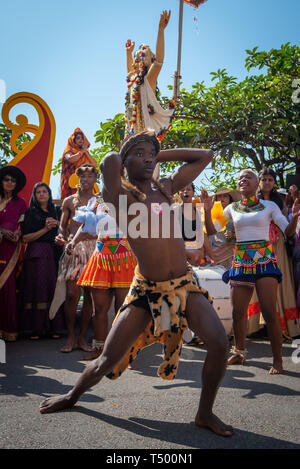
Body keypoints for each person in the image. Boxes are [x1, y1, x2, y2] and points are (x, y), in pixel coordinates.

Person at [40, 130, 234, 438]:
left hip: (184, 284)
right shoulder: (121, 197)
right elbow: (108, 161)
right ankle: (72, 396)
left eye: (150, 154)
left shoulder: (166, 187)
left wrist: (157, 153)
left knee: (220, 344)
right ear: (126, 162)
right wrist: (133, 148)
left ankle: (204, 413)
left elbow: (204, 156)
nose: (147, 158)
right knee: (107, 360)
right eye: (139, 154)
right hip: (146, 291)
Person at [222, 169, 300, 374]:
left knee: (268, 311)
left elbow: (288, 232)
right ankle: (239, 352)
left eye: (248, 177)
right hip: (241, 261)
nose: (243, 179)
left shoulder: (269, 206)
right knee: (238, 312)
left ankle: (277, 361)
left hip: (265, 260)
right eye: (240, 177)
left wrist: (294, 219)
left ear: (257, 184)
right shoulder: (230, 209)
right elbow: (224, 234)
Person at [70, 195, 137, 360]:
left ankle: (124, 353)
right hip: (101, 258)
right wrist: (73, 241)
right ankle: (100, 350)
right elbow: (87, 225)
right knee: (99, 309)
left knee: (124, 310)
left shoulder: (132, 198)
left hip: (125, 259)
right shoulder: (96, 201)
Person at [246, 168, 300, 339]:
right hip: (257, 246)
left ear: (274, 183)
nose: (267, 182)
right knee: (258, 284)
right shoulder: (251, 201)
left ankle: (281, 326)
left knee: (279, 282)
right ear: (259, 182)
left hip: (277, 247)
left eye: (270, 179)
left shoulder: (280, 202)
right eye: (264, 179)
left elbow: (287, 228)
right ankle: (257, 326)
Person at [50, 164, 98, 353]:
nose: (85, 180)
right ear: (78, 179)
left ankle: (82, 337)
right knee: (71, 294)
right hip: (74, 248)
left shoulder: (100, 201)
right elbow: (62, 226)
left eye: (89, 177)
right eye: (82, 177)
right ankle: (70, 335)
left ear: (95, 179)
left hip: (94, 249)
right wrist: (60, 236)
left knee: (90, 295)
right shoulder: (69, 201)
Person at [19, 182, 65, 339]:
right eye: (38, 192)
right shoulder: (30, 213)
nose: (42, 194)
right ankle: (35, 329)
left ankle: (54, 328)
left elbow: (66, 230)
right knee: (35, 288)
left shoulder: (57, 210)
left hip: (54, 253)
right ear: (35, 195)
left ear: (49, 193)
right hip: (35, 254)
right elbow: (25, 238)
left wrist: (57, 224)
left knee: (53, 288)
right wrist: (45, 229)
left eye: (44, 191)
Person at [125, 10, 175, 141]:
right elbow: (130, 72)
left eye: (144, 50)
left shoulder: (148, 80)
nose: (141, 50)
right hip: (130, 134)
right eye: (139, 50)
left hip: (144, 135)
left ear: (150, 59)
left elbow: (159, 60)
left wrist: (161, 30)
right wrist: (128, 53)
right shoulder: (133, 82)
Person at [0, 166, 27, 341]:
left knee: (8, 287)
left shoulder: (21, 203)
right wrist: (1, 231)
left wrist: (18, 233)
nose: (10, 182)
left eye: (13, 180)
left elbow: (22, 224)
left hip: (11, 248)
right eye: (7, 179)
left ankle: (8, 331)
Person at [202, 187, 241, 270]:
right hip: (212, 253)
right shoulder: (210, 214)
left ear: (230, 199)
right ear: (215, 199)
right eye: (219, 196)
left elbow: (245, 233)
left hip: (230, 254)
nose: (222, 198)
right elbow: (207, 234)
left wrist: (233, 235)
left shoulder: (236, 214)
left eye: (225, 196)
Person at [60, 128, 97, 200]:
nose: (81, 140)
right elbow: (71, 159)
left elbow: (94, 164)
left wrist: (85, 151)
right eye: (78, 138)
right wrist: (82, 151)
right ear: (73, 140)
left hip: (83, 182)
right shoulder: (69, 151)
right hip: (70, 183)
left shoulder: (84, 153)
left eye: (82, 138)